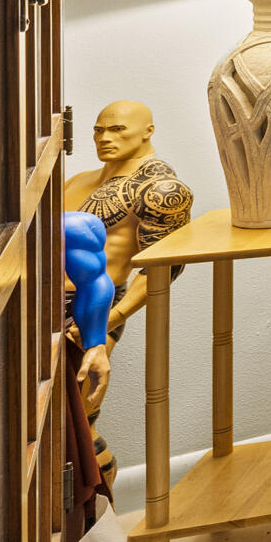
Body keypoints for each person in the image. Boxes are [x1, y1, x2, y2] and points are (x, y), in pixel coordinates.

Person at [63, 102, 192, 422]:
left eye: (117, 129)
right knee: (46, 423)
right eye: (98, 129)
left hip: (92, 309)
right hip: (43, 304)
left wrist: (112, 319)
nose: (104, 137)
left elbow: (163, 267)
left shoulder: (161, 189)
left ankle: (92, 474)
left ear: (148, 131)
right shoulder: (78, 179)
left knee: (79, 423)